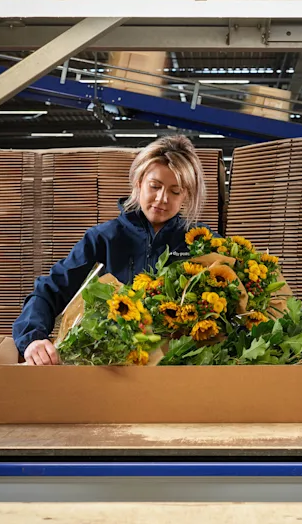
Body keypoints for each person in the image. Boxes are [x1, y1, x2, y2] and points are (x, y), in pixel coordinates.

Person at [12, 135, 217, 365]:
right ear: (138, 183)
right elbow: (50, 290)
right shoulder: (103, 239)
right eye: (155, 186)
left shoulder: (203, 244)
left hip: (179, 372)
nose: (162, 199)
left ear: (186, 195)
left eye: (175, 191)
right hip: (109, 369)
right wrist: (33, 338)